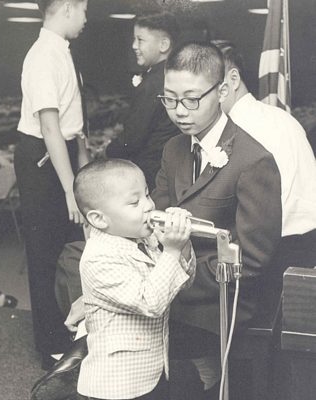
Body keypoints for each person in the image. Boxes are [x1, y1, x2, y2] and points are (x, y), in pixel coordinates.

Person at [151, 42, 282, 399]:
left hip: (221, 295)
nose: (179, 111)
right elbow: (158, 223)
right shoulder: (174, 149)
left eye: (191, 99)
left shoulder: (254, 160)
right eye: (169, 99)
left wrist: (173, 280)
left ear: (222, 91)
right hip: (177, 281)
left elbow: (252, 259)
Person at [73, 159, 196, 400]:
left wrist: (183, 245)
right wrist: (170, 251)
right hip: (115, 386)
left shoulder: (142, 239)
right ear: (99, 219)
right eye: (134, 202)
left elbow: (181, 283)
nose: (149, 206)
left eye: (147, 195)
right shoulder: (98, 259)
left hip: (150, 372)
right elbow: (151, 302)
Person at [14, 0, 89, 369]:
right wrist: (68, 188)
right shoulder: (43, 54)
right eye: (85, 10)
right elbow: (49, 127)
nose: (87, 18)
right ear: (69, 8)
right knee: (44, 254)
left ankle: (68, 331)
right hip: (43, 158)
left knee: (62, 250)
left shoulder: (60, 50)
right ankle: (52, 346)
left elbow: (70, 124)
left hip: (60, 150)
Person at [217, 42, 316, 277]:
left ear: (233, 79)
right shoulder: (281, 117)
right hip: (308, 240)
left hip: (276, 248)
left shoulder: (238, 130)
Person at [106, 12, 180, 191]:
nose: (134, 46)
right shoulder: (172, 75)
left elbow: (132, 139)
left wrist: (107, 152)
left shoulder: (153, 84)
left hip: (150, 173)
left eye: (140, 40)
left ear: (163, 45)